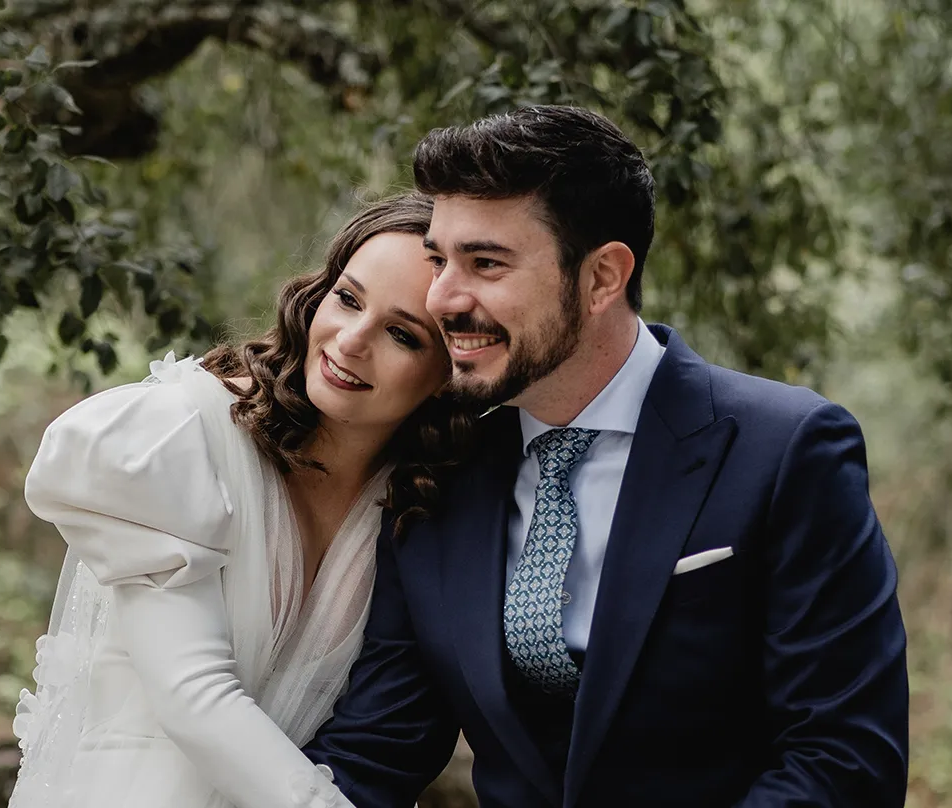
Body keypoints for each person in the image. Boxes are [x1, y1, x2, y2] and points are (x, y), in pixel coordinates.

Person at [303, 106, 911, 807]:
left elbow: (845, 761)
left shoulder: (787, 451)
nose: (443, 298)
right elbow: (377, 748)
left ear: (601, 278)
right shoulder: (439, 473)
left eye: (486, 263)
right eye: (439, 260)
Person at [8, 193, 473, 808]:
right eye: (348, 299)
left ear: (448, 370)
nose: (352, 341)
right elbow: (193, 692)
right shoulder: (181, 435)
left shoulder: (416, 505)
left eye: (401, 334)